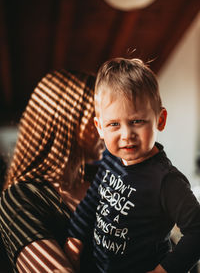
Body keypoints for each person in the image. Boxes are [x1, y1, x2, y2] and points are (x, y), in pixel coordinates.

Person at [66, 58, 200, 273]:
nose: (126, 135)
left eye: (137, 121)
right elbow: (92, 201)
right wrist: (75, 241)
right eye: (114, 124)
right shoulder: (110, 159)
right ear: (100, 127)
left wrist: (163, 271)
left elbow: (197, 231)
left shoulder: (166, 180)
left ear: (160, 120)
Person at [0, 69, 103, 273]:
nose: (109, 128)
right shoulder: (22, 199)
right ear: (65, 121)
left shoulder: (106, 180)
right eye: (98, 116)